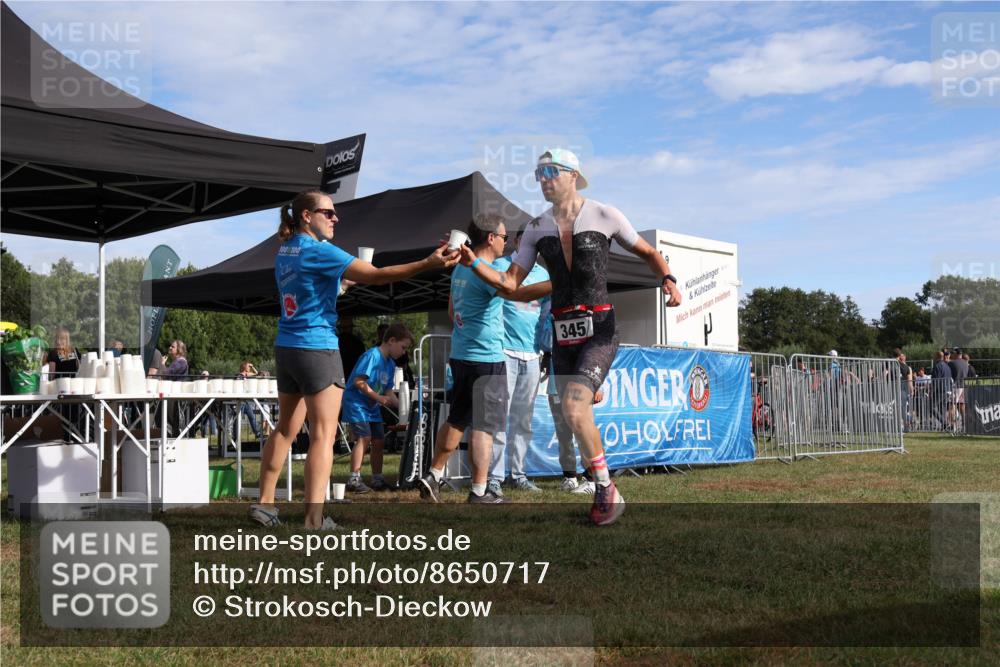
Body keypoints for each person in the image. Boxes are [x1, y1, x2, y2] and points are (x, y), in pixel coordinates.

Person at [455, 149, 682, 525]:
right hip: (563, 335)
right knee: (575, 413)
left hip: (599, 327)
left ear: (573, 174)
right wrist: (475, 263)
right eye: (538, 173)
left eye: (550, 171)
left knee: (576, 408)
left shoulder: (604, 214)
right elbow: (511, 283)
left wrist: (668, 281)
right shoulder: (534, 228)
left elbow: (648, 252)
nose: (543, 179)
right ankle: (603, 486)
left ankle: (606, 490)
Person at [251, 189, 458, 530]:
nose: (336, 218)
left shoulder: (286, 251)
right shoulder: (320, 250)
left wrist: (341, 285)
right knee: (323, 435)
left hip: (287, 347)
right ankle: (314, 519)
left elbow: (310, 293)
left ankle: (265, 505)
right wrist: (427, 264)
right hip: (317, 348)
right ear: (307, 216)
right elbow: (377, 275)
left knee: (286, 429)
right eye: (328, 213)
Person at [419, 214, 549, 505]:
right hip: (487, 358)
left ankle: (433, 475)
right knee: (485, 427)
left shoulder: (460, 269)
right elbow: (514, 289)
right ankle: (480, 491)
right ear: (491, 238)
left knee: (456, 419)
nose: (505, 243)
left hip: (462, 355)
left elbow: (453, 313)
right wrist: (557, 284)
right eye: (503, 238)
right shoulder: (484, 270)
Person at [487, 229, 550, 495]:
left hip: (532, 354)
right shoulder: (499, 266)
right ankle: (494, 477)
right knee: (499, 418)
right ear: (516, 242)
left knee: (523, 419)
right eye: (527, 243)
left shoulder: (545, 274)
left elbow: (546, 315)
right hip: (504, 351)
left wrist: (545, 348)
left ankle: (519, 474)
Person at [341, 322, 412, 493]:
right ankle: (354, 478)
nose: (404, 352)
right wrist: (379, 398)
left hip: (371, 407)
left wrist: (404, 408)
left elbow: (388, 390)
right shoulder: (372, 356)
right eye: (403, 347)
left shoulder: (390, 364)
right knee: (364, 438)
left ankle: (377, 479)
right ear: (391, 341)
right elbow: (359, 382)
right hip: (357, 404)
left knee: (379, 441)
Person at [337, 316, 367, 386]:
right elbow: (362, 361)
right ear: (351, 328)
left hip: (338, 376)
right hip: (353, 378)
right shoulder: (358, 342)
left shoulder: (335, 341)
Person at [894, 348, 913, 432]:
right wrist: (911, 390)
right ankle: (905, 427)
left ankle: (905, 426)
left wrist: (911, 390)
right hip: (903, 390)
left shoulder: (891, 364)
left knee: (903, 409)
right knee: (904, 409)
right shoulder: (906, 367)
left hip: (899, 389)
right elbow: (909, 380)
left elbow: (910, 380)